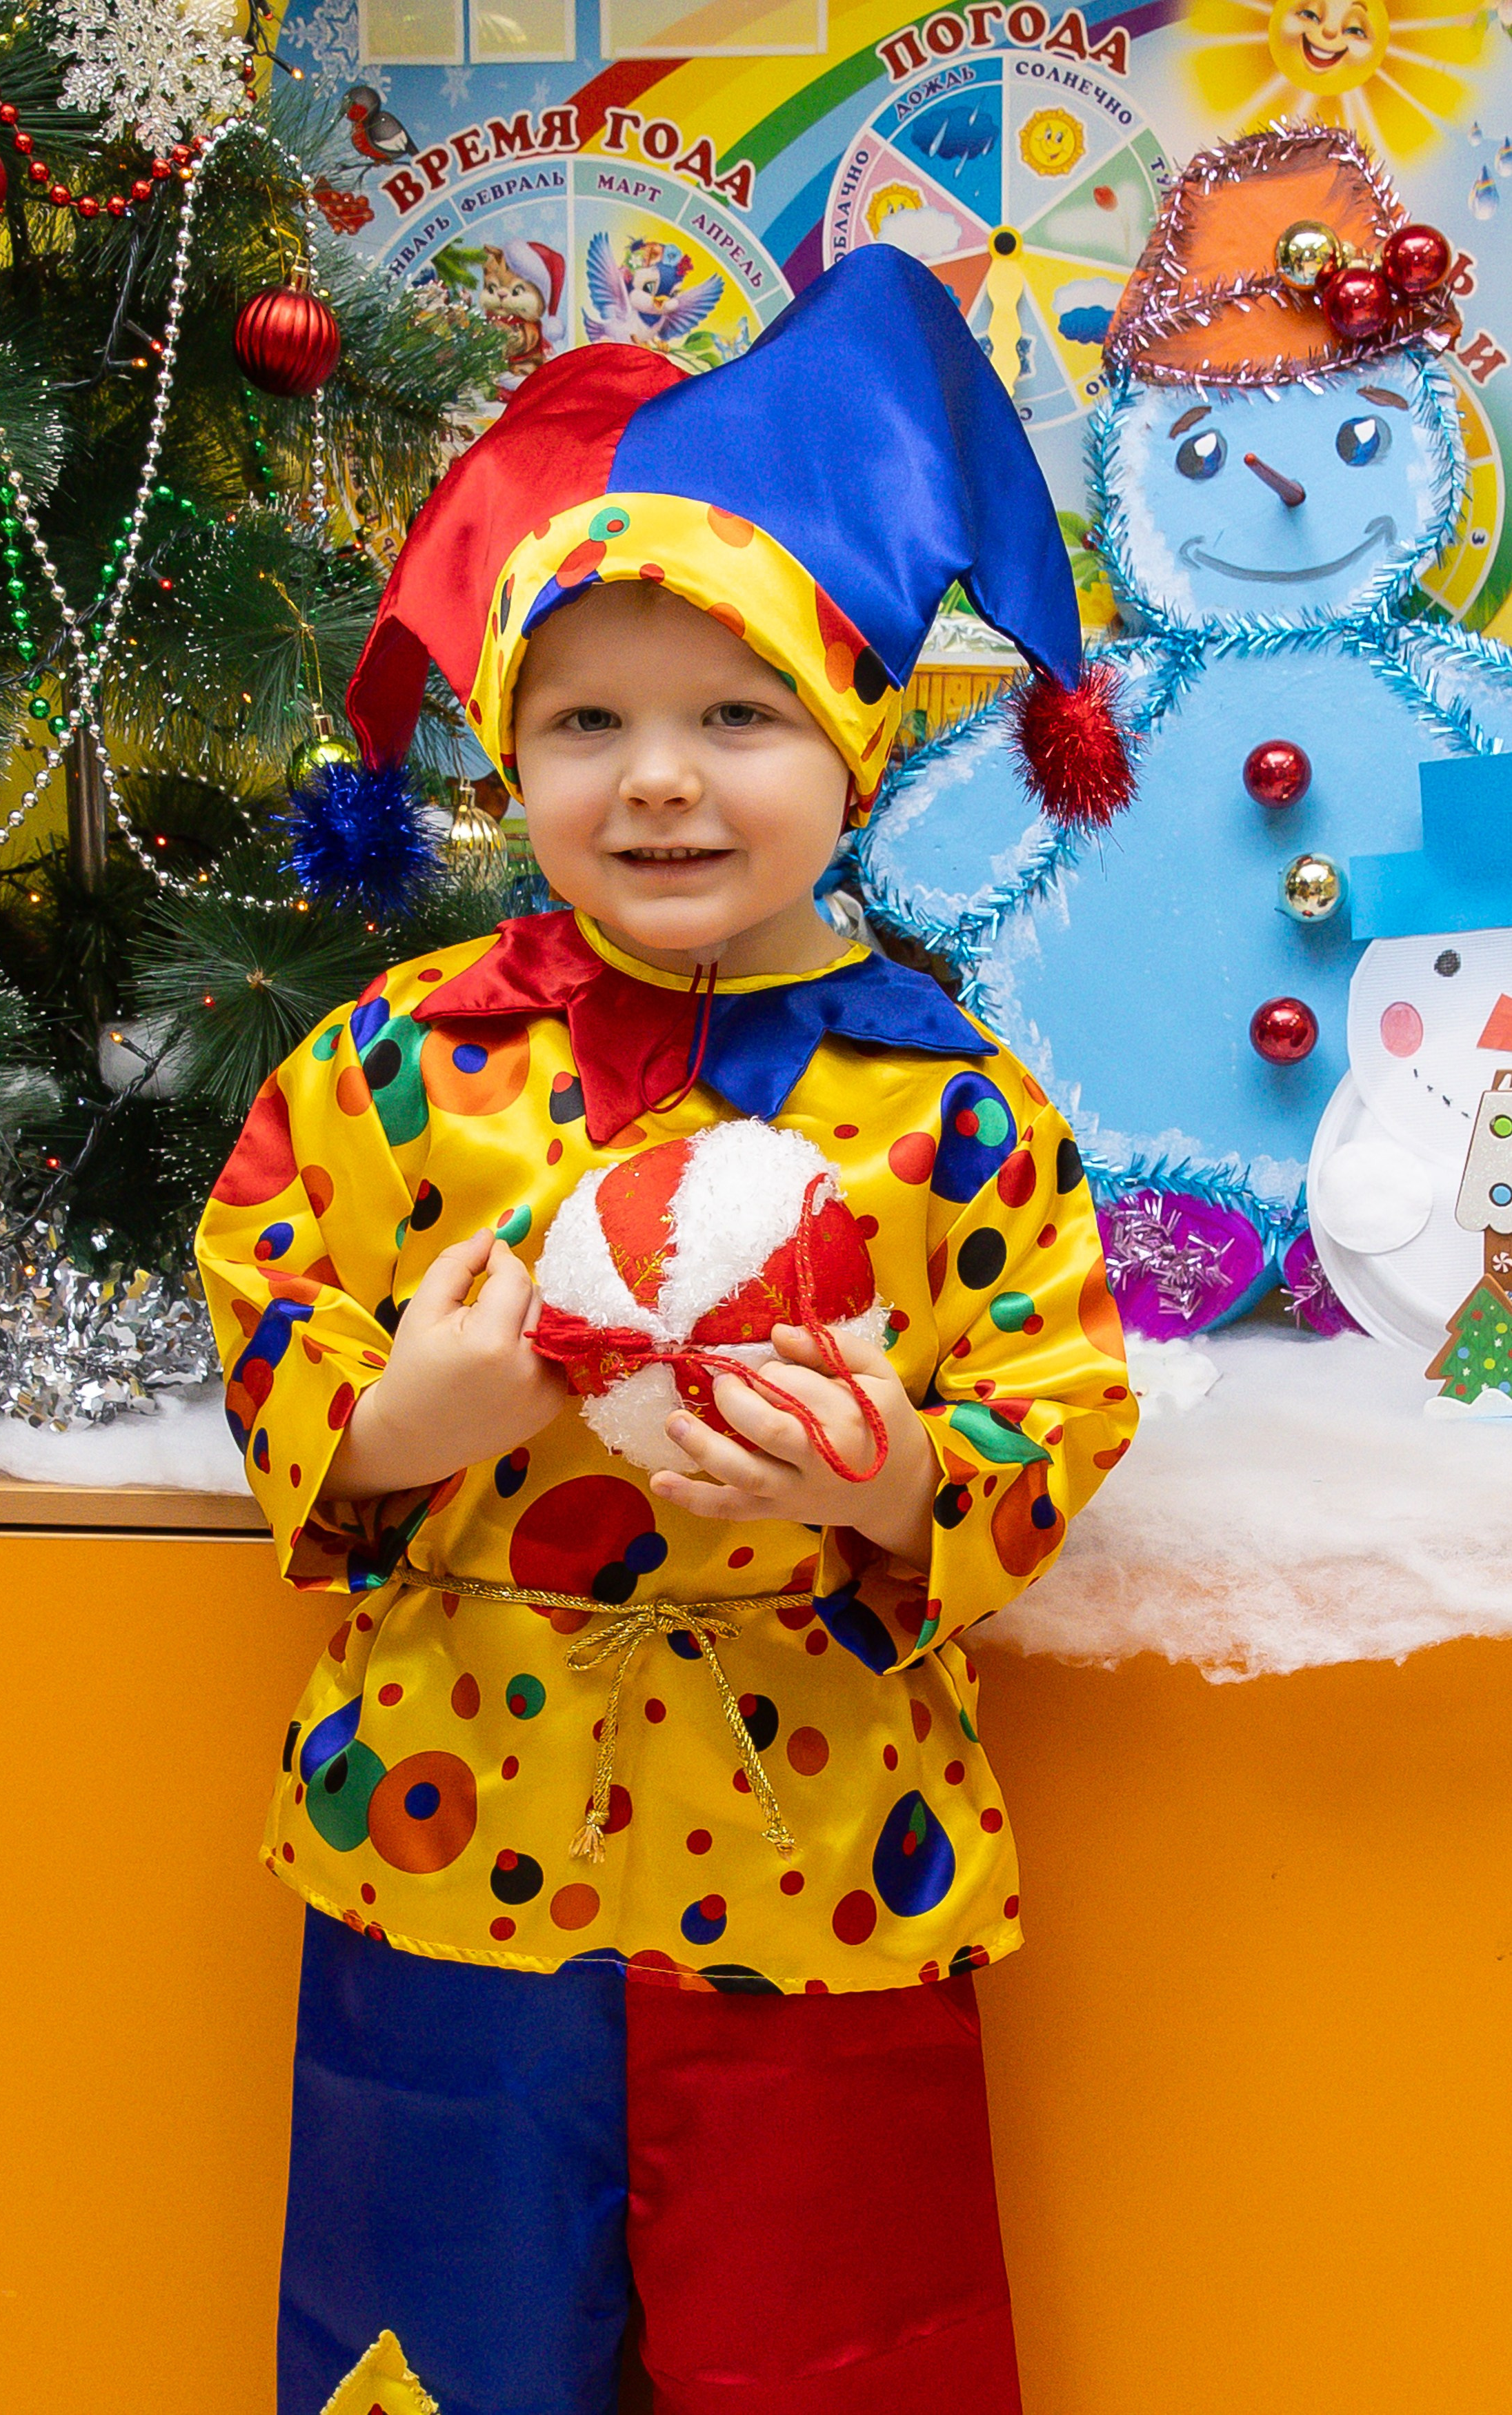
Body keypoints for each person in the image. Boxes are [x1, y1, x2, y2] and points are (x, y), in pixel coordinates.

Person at [197, 244, 1138, 2415]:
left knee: (836, 2352)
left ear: (855, 743)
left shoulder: (950, 1107)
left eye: (736, 718)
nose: (660, 782)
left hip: (818, 1860)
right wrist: (390, 1418)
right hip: (456, 1834)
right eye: (586, 723)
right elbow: (268, 1279)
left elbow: (1054, 1388)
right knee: (434, 2350)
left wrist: (900, 1473)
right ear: (513, 750)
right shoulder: (404, 1063)